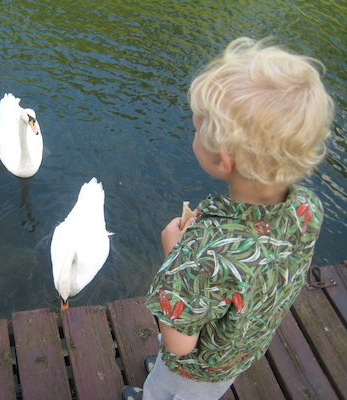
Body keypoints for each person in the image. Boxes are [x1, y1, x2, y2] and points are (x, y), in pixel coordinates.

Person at [122, 37, 334, 400]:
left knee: (165, 390)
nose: (193, 133)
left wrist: (176, 255)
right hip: (241, 349)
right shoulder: (307, 207)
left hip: (194, 369)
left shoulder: (199, 258)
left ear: (224, 160)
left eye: (196, 129)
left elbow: (178, 346)